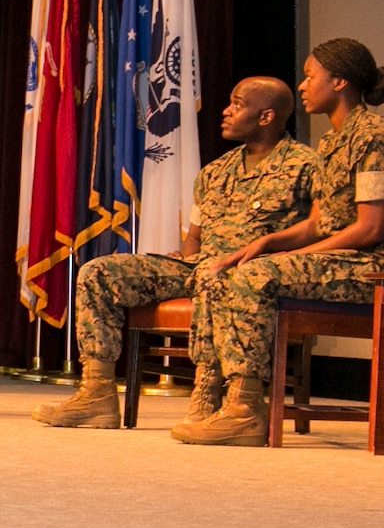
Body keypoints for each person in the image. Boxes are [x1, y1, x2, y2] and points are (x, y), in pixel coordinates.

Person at [173, 38, 384, 446]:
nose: (303, 86)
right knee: (235, 266)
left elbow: (371, 229)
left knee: (255, 277)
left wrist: (294, 255)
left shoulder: (374, 137)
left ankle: (246, 410)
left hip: (381, 264)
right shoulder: (332, 141)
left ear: (339, 82)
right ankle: (218, 394)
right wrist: (267, 242)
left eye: (310, 77)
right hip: (349, 257)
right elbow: (317, 222)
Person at [32, 76, 315, 429]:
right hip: (199, 266)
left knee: (214, 276)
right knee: (98, 273)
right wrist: (186, 259)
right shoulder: (215, 172)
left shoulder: (305, 166)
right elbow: (194, 239)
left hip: (254, 275)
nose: (226, 112)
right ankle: (97, 393)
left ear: (266, 117)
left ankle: (210, 396)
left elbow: (316, 231)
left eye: (237, 104)